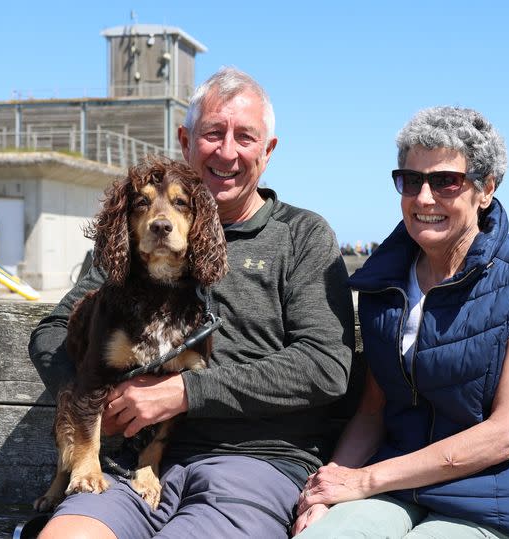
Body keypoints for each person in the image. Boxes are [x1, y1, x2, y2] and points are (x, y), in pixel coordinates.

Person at [29, 67, 356, 539]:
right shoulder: (136, 238)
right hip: (127, 466)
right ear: (185, 140)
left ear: (268, 151)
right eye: (212, 133)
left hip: (251, 464)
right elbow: (52, 333)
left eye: (245, 137)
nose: (227, 152)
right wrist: (101, 400)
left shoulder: (301, 236)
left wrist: (182, 392)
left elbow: (324, 365)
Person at [293, 106, 509, 538]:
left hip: (494, 497)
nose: (424, 198)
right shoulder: (384, 281)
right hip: (400, 490)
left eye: (445, 181)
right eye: (410, 180)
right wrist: (327, 489)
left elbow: (506, 434)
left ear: (486, 189)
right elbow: (373, 410)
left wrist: (364, 480)